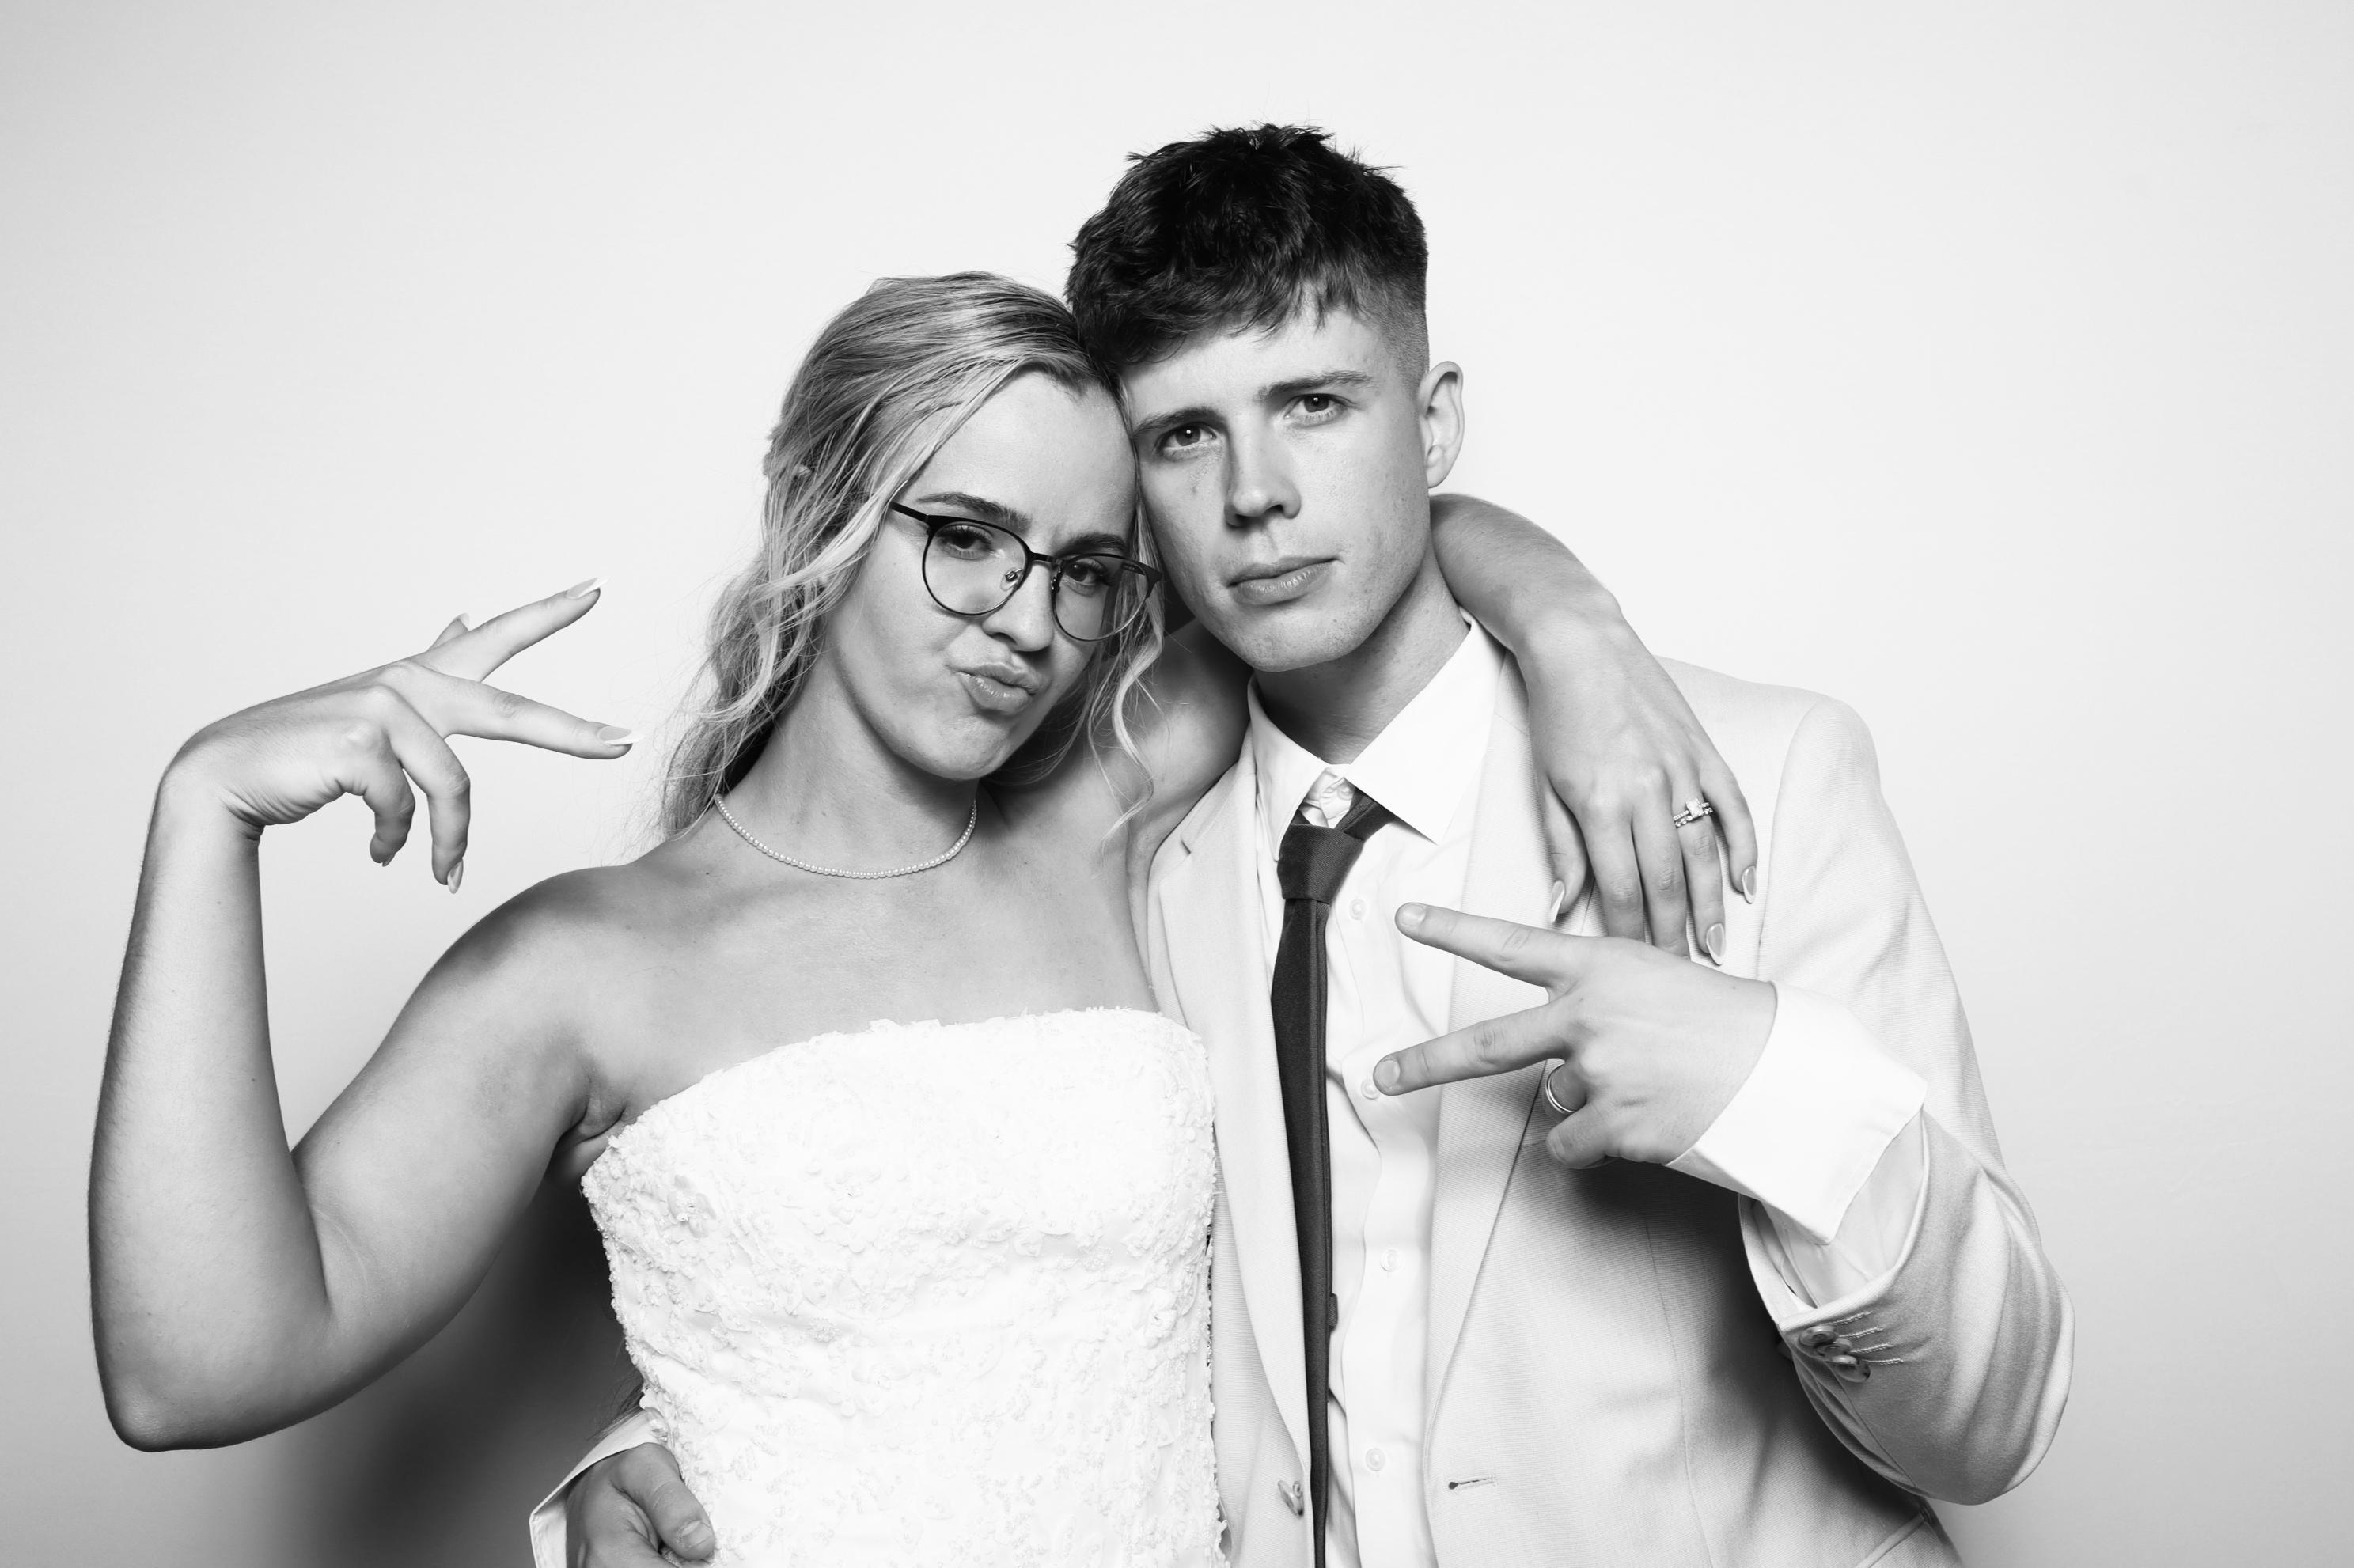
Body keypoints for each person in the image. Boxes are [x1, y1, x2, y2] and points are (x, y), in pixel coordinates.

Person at [573, 128, 2072, 1566]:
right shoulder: (1114, 849)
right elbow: (974, 1254)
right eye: (1185, 435)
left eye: (1315, 404)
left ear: (1435, 421)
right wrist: (660, 1445)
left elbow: (1990, 1425)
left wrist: (1766, 1086)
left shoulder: (1752, 777)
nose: (1255, 495)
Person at [89, 271, 1743, 1566]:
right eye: (966, 541)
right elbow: (196, 1367)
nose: (1028, 621)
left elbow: (1348, 551)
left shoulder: (1103, 819)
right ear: (818, 506)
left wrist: (1576, 631)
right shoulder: (585, 966)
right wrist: (203, 812)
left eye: (1083, 569)